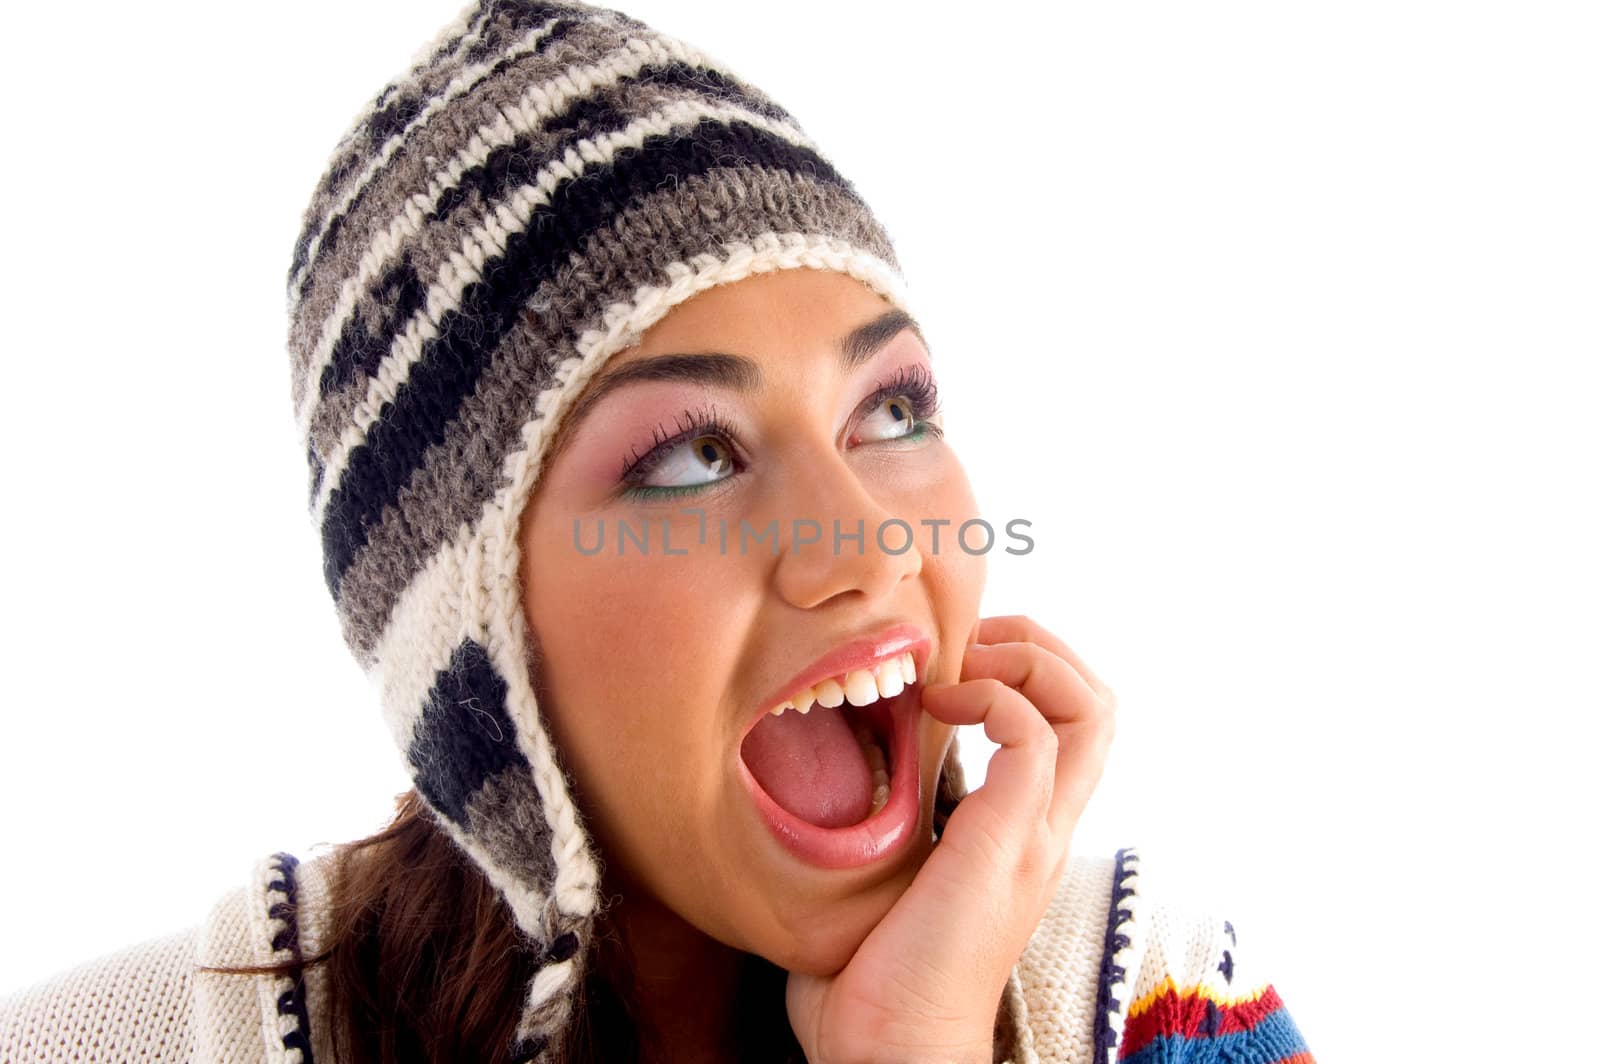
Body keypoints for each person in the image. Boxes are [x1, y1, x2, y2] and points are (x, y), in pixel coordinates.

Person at [0, 1, 1316, 1061]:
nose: (867, 549)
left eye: (891, 408)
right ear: (467, 652)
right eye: (695, 454)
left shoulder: (1157, 1002)